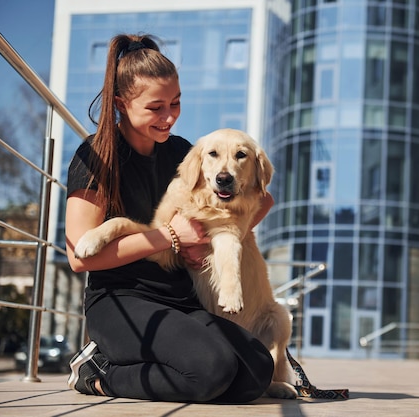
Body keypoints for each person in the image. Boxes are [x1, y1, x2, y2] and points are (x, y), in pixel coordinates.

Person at [64, 33, 275, 403]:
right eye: (156, 108)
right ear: (121, 104)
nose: (169, 117)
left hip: (179, 295)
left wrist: (208, 239)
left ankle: (182, 368)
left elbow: (260, 200)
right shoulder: (95, 158)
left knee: (257, 368)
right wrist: (172, 237)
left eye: (176, 104)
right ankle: (98, 373)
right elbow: (80, 258)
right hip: (120, 298)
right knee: (212, 369)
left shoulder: (182, 151)